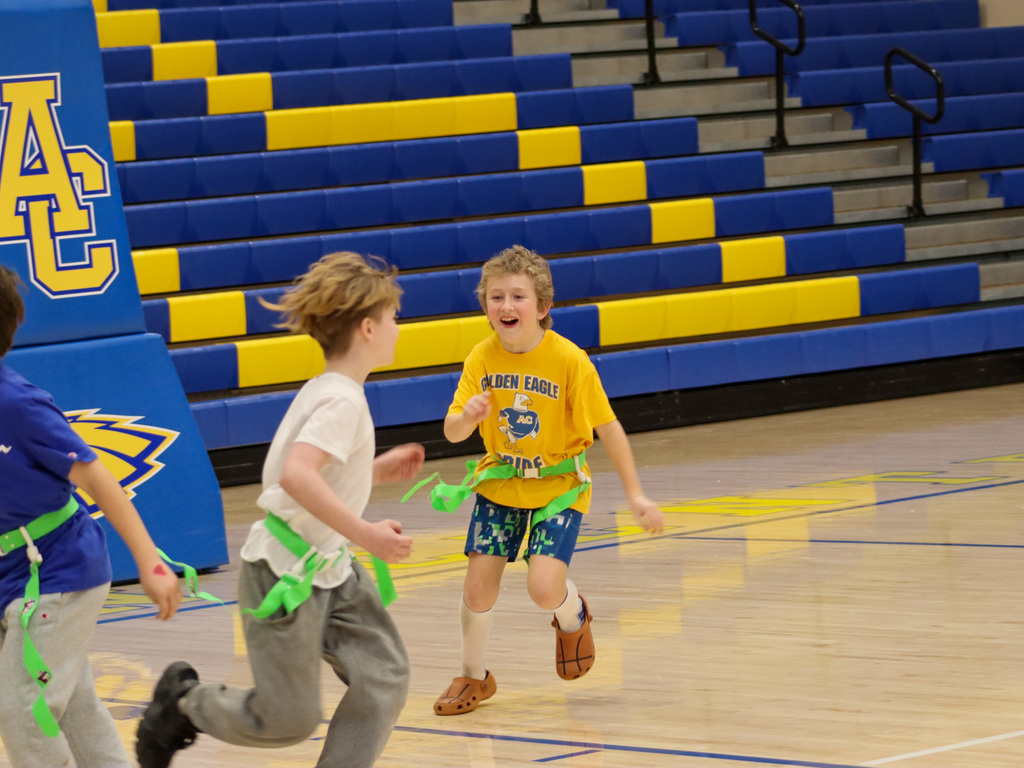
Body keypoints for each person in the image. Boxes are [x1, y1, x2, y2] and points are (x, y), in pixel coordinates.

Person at [135, 252, 425, 768]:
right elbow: (294, 475)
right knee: (288, 720)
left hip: (330, 569)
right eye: (393, 319)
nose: (398, 328)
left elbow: (305, 477)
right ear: (367, 328)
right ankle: (184, 703)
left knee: (383, 676)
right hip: (283, 575)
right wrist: (367, 534)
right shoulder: (341, 401)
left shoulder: (332, 390)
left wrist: (372, 471)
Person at [432, 245, 664, 716]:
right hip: (500, 485)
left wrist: (636, 494)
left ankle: (573, 615)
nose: (506, 306)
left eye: (518, 296)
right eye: (496, 297)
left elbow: (609, 428)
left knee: (543, 589)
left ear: (542, 307)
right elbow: (452, 430)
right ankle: (473, 677)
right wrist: (469, 415)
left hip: (559, 487)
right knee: (478, 588)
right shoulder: (481, 356)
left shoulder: (570, 361)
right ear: (486, 307)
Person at [0, 265, 182, 768]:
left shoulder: (18, 403)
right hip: (10, 574)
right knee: (75, 709)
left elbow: (98, 478)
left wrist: (151, 562)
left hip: (58, 571)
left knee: (24, 710)